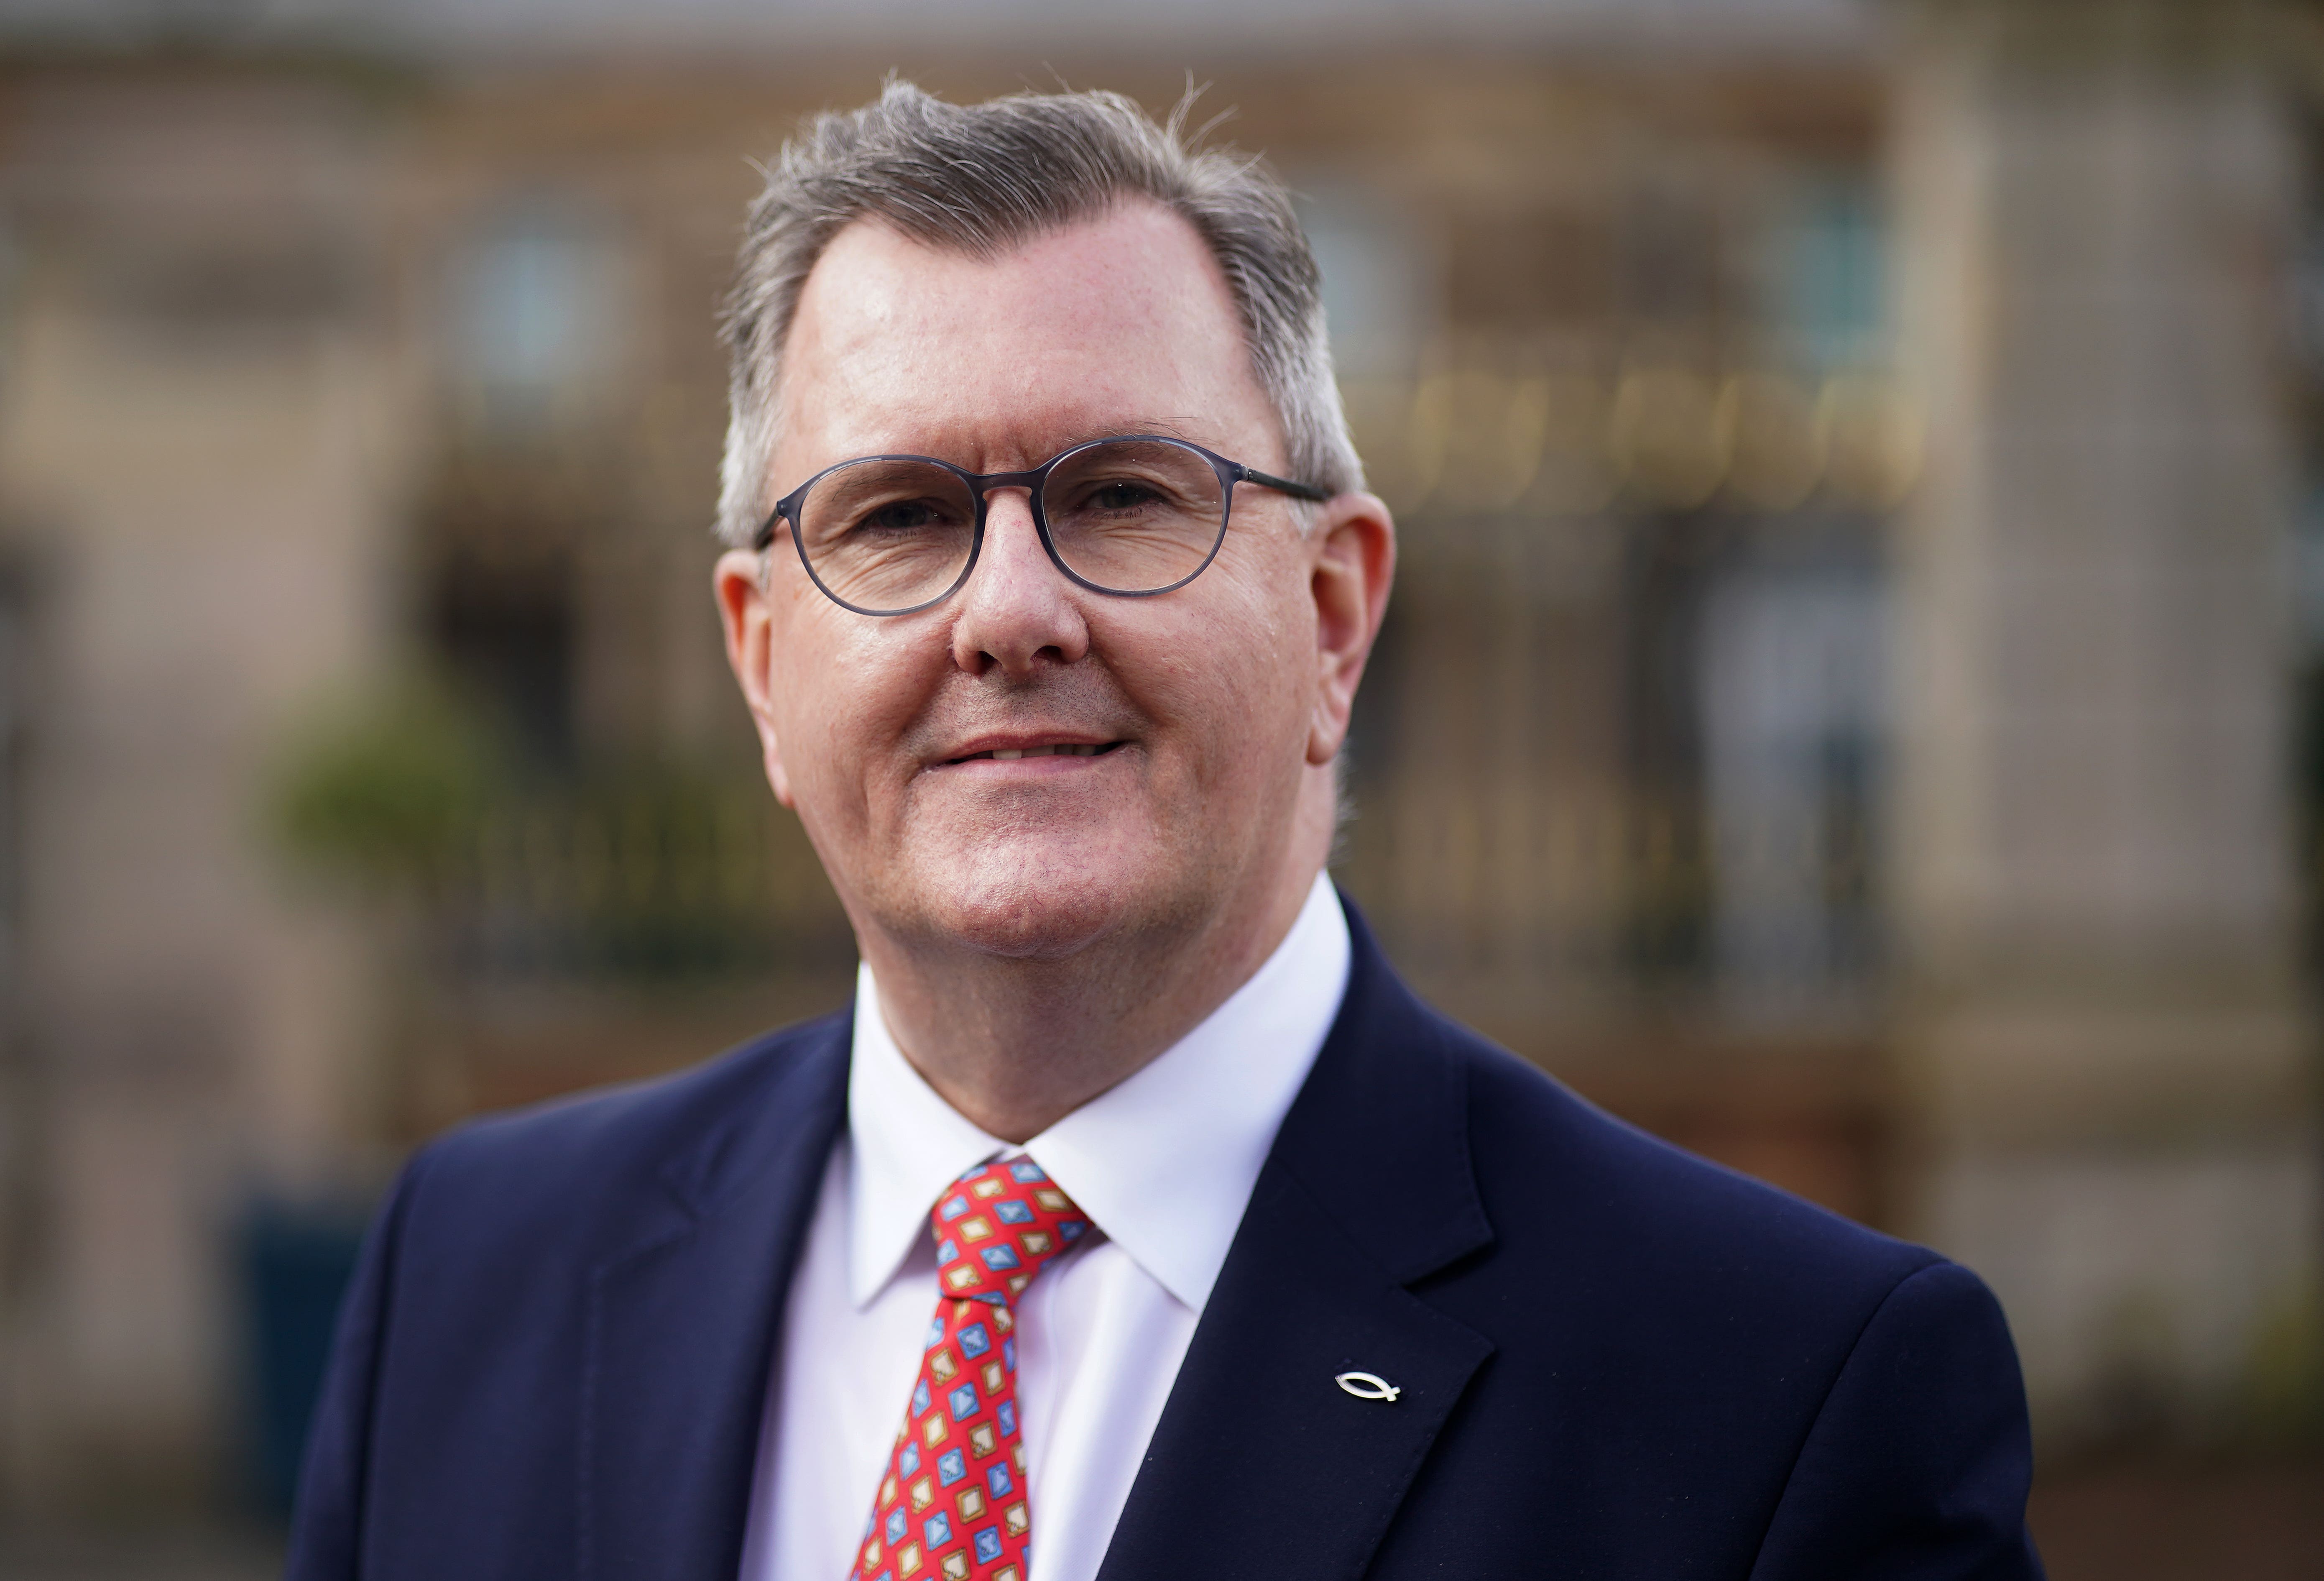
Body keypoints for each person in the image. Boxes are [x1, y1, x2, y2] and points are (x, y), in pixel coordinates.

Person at [288, 83, 2043, 1581]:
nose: (1008, 613)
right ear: (760, 659)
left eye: (1122, 497)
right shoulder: (469, 1275)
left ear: (1335, 617)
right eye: (895, 518)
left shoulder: (1779, 1394)